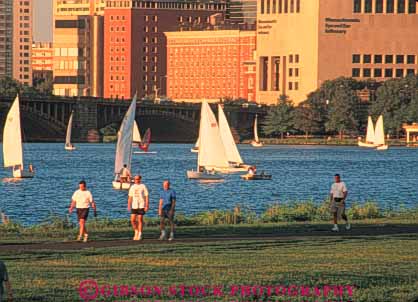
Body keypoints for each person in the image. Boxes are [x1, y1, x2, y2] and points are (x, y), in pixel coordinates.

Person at [127, 175, 149, 241]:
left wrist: (147, 205)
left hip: (141, 205)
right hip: (134, 205)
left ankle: (140, 234)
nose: (136, 180)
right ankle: (136, 231)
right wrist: (129, 205)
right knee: (132, 220)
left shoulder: (143, 186)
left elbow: (146, 196)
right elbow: (130, 197)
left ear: (140, 179)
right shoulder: (132, 187)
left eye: (137, 179)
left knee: (140, 219)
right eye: (135, 179)